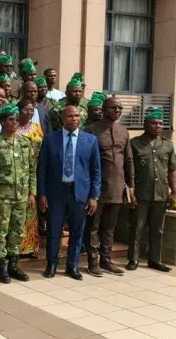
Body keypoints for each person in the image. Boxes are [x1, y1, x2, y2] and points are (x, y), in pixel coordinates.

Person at [38, 105, 101, 280]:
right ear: (62, 119)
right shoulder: (50, 139)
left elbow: (96, 170)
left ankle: (72, 266)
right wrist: (42, 193)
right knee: (54, 231)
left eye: (77, 116)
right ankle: (51, 264)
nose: (74, 119)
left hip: (80, 193)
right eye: (70, 116)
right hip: (56, 193)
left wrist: (94, 196)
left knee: (77, 231)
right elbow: (42, 169)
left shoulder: (90, 140)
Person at [82, 95, 133, 276]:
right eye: (113, 108)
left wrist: (131, 185)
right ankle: (93, 261)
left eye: (119, 108)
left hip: (117, 187)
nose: (117, 111)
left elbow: (128, 160)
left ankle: (106, 259)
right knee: (93, 227)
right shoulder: (90, 130)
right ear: (103, 110)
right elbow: (85, 161)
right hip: (97, 188)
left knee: (110, 227)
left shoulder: (124, 132)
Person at [127, 108, 176, 272]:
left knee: (158, 229)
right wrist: (130, 191)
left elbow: (172, 170)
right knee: (137, 227)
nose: (158, 126)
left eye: (160, 124)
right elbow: (129, 170)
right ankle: (133, 259)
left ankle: (155, 259)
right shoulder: (134, 144)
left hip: (160, 194)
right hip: (141, 193)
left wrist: (174, 192)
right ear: (145, 124)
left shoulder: (167, 145)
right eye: (154, 123)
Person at [0, 103, 36, 283]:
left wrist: (32, 193)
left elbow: (32, 170)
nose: (15, 122)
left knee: (18, 231)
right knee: (0, 232)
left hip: (22, 196)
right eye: (11, 119)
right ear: (2, 122)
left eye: (17, 119)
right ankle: (1, 268)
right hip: (3, 196)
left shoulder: (25, 142)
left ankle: (14, 265)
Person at [16, 99, 45, 257]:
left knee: (31, 210)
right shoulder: (13, 128)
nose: (29, 112)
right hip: (17, 173)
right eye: (26, 109)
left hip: (35, 172)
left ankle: (30, 247)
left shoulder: (37, 128)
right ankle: (16, 247)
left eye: (31, 110)